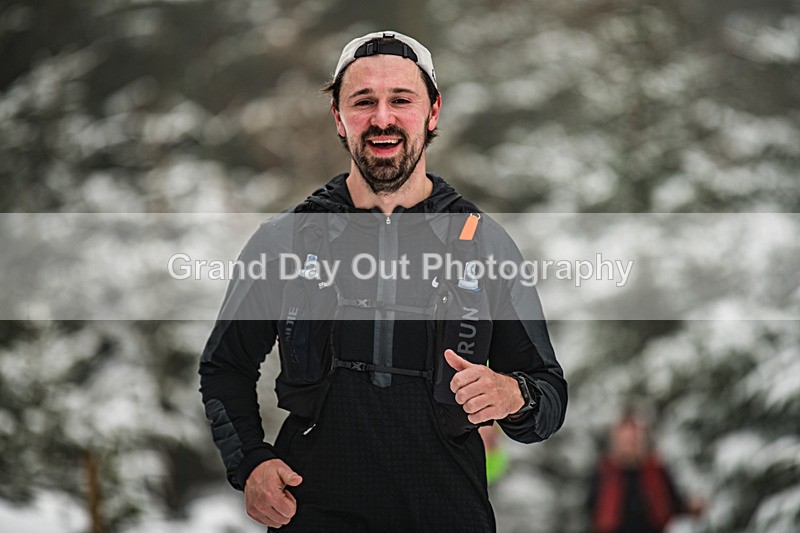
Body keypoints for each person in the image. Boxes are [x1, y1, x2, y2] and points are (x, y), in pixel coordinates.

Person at [199, 30, 567, 532]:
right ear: (338, 117)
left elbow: (548, 394)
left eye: (401, 99)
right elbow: (224, 367)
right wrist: (252, 464)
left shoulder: (485, 244)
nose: (382, 118)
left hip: (447, 514)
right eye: (363, 101)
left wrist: (512, 394)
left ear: (433, 112)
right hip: (314, 513)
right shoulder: (284, 240)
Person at [588, 413, 703, 533]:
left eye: (634, 439)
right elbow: (592, 511)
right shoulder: (605, 473)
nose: (630, 444)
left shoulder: (654, 470)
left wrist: (690, 509)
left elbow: (672, 502)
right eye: (626, 440)